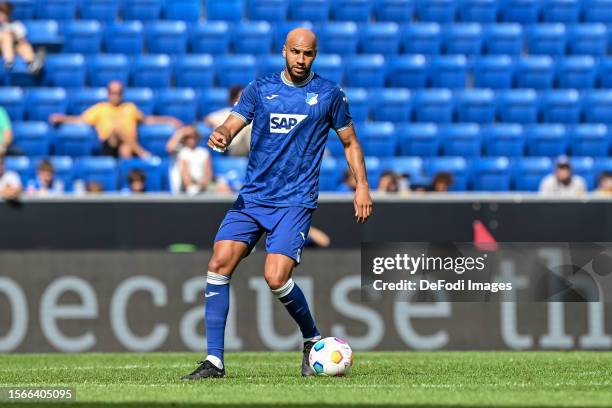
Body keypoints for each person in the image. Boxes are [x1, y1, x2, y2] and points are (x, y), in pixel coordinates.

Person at [181, 28, 372, 380]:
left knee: (275, 276)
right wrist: (222, 135)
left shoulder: (329, 94)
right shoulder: (260, 89)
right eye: (296, 52)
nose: (301, 60)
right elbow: (232, 124)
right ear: (284, 51)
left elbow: (350, 143)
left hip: (295, 202)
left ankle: (311, 337)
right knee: (219, 262)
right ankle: (214, 361)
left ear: (315, 55)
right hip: (253, 197)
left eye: (308, 54)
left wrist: (361, 186)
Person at [49, 81, 182, 159]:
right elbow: (80, 120)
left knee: (126, 150)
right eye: (113, 93)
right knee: (117, 130)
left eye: (119, 93)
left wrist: (168, 119)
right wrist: (62, 118)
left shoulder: (130, 107)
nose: (116, 96)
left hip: (128, 144)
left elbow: (147, 120)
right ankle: (143, 154)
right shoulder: (101, 108)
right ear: (108, 94)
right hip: (109, 145)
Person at [203, 86, 252, 156]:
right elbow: (207, 119)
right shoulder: (226, 112)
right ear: (234, 99)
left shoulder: (252, 113)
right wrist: (219, 128)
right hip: (232, 147)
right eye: (242, 97)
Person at [166, 125, 213, 195]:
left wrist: (201, 185)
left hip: (201, 187)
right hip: (183, 188)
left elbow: (208, 172)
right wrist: (181, 133)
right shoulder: (180, 150)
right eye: (188, 137)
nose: (191, 139)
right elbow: (169, 148)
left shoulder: (203, 152)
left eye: (194, 136)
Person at [0, 2, 43, 72]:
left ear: (8, 14)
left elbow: (23, 41)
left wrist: (14, 36)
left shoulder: (16, 25)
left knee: (24, 46)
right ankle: (9, 62)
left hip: (14, 48)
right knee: (6, 36)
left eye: (3, 14)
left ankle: (33, 63)